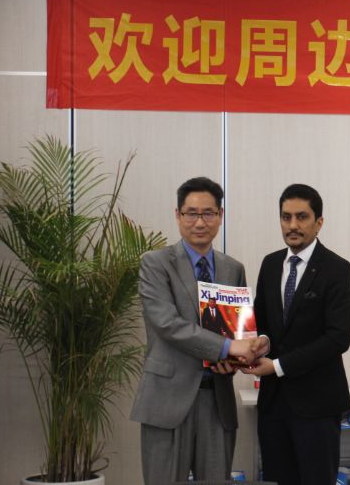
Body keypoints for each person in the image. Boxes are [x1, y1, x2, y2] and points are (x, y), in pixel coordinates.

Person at [131, 177, 267, 485]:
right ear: (177, 215)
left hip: (217, 399)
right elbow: (167, 324)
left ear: (220, 215)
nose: (200, 222)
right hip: (167, 399)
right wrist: (227, 348)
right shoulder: (155, 263)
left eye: (208, 213)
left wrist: (235, 360)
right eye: (191, 213)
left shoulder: (233, 268)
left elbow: (238, 331)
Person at [241, 183, 350, 485]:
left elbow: (338, 337)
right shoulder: (270, 264)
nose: (292, 225)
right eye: (286, 217)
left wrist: (278, 366)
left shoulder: (337, 269)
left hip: (317, 406)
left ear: (319, 223)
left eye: (301, 217)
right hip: (273, 405)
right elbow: (262, 322)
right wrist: (261, 342)